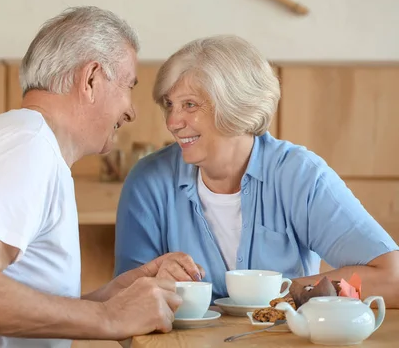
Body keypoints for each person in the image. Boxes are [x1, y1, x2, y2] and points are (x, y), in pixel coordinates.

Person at [0, 6, 204, 348]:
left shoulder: (24, 140)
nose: (131, 110)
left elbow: (12, 312)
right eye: (128, 87)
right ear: (91, 78)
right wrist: (109, 317)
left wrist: (110, 301)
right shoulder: (28, 147)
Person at [113, 35, 399, 307]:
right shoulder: (148, 181)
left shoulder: (299, 176)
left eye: (190, 105)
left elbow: (392, 278)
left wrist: (280, 296)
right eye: (169, 105)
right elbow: (124, 307)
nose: (173, 122)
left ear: (236, 106)